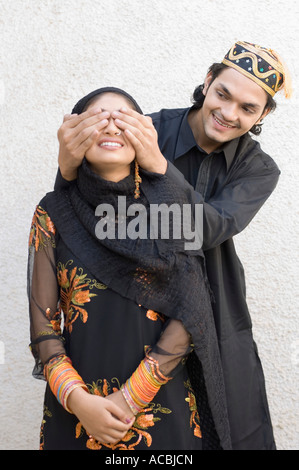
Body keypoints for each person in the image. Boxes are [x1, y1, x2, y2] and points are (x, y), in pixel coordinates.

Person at [54, 41, 292, 450]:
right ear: (207, 82)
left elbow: (209, 229)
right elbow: (80, 199)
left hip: (213, 307)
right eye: (223, 94)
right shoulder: (148, 129)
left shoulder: (259, 169)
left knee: (230, 425)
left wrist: (159, 168)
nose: (230, 113)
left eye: (248, 108)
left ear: (264, 114)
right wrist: (66, 161)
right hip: (130, 307)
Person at [28, 87, 231, 451]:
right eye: (98, 118)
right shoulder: (52, 213)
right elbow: (44, 329)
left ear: (144, 135)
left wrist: (128, 400)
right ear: (74, 135)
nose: (111, 127)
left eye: (123, 119)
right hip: (75, 415)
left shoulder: (170, 211)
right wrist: (79, 401)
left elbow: (192, 311)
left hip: (159, 411)